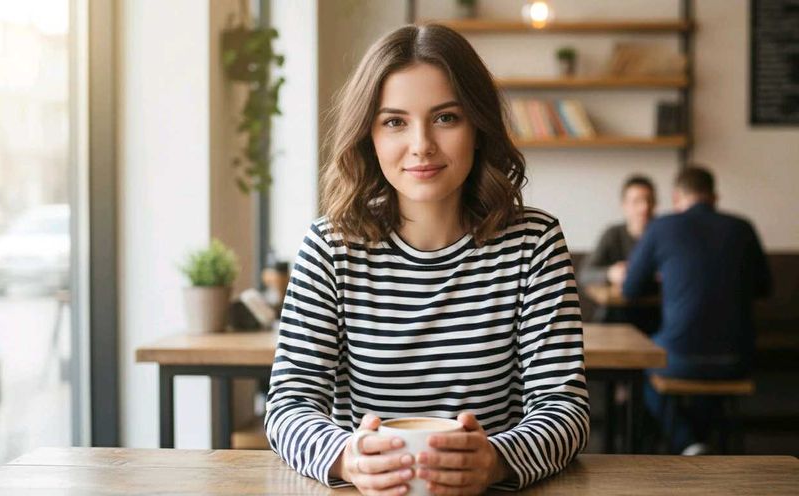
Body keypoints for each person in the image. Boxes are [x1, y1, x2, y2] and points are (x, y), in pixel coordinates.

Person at [266, 24, 589, 494]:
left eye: (445, 118)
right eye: (395, 121)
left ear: (478, 128)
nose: (421, 145)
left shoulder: (533, 242)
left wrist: (496, 461)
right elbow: (288, 406)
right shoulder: (329, 246)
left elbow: (566, 409)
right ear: (369, 137)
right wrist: (346, 458)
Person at [623, 166, 771, 455]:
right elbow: (765, 288)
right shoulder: (743, 227)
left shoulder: (662, 227)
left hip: (679, 359)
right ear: (714, 197)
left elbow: (630, 290)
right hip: (737, 359)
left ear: (677, 197)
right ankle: (703, 441)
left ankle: (687, 442)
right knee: (707, 376)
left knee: (641, 368)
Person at [579, 175, 659, 332]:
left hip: (655, 316)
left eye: (649, 200)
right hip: (616, 318)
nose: (644, 207)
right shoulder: (612, 234)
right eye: (637, 201)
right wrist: (610, 273)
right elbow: (585, 274)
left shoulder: (665, 235)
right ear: (624, 205)